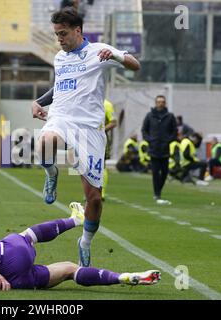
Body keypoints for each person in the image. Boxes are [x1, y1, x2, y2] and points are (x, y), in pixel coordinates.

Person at [31, 8, 140, 267]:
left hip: (90, 129)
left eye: (63, 33)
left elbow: (135, 66)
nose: (59, 39)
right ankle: (51, 174)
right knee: (44, 143)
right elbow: (60, 87)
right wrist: (38, 101)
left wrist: (115, 54)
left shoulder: (99, 51)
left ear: (78, 30)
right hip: (61, 118)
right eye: (57, 34)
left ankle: (85, 242)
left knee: (94, 198)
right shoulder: (60, 58)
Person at [0, 202, 161, 290]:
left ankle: (125, 277)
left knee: (68, 270)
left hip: (10, 283)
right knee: (27, 235)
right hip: (2, 262)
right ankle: (77, 219)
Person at [141, 95, 177, 205]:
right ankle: (157, 193)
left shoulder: (170, 116)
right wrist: (150, 140)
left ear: (165, 103)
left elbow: (174, 131)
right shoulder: (149, 115)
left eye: (162, 102)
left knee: (165, 172)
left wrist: (168, 140)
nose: (160, 103)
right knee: (155, 173)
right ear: (155, 103)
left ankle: (159, 190)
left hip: (165, 149)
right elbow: (144, 130)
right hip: (154, 148)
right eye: (158, 102)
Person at [102, 99, 117, 200]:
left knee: (101, 165)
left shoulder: (107, 104)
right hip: (85, 137)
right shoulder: (85, 100)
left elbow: (113, 122)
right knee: (86, 166)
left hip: (101, 138)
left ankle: (101, 193)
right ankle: (88, 192)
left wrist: (101, 130)